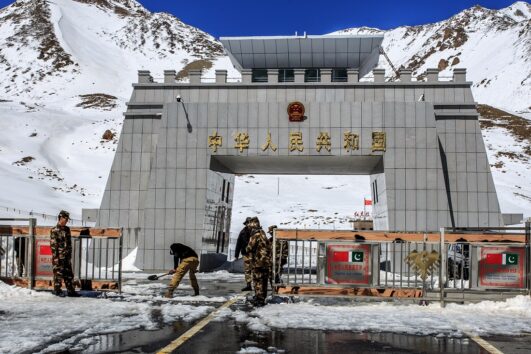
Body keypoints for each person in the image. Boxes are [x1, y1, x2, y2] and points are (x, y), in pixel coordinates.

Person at [50, 210, 79, 297]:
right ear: (61, 218)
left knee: (69, 274)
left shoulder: (67, 229)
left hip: (66, 256)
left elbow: (69, 243)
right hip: (58, 257)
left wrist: (69, 255)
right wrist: (56, 257)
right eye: (65, 219)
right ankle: (57, 291)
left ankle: (71, 291)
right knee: (58, 274)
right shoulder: (54, 230)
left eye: (67, 219)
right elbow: (53, 244)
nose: (66, 221)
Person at [245, 217, 271, 307]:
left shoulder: (255, 234)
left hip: (258, 262)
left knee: (257, 280)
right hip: (266, 262)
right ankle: (262, 298)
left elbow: (249, 247)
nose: (249, 226)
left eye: (250, 224)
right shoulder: (263, 233)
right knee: (264, 281)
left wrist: (247, 249)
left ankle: (259, 299)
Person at [234, 217, 253, 291]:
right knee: (247, 270)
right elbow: (238, 243)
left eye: (250, 222)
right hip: (246, 254)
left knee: (256, 269)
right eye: (247, 223)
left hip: (255, 254)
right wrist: (236, 255)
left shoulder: (256, 231)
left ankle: (257, 285)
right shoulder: (242, 232)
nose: (248, 224)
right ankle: (248, 285)